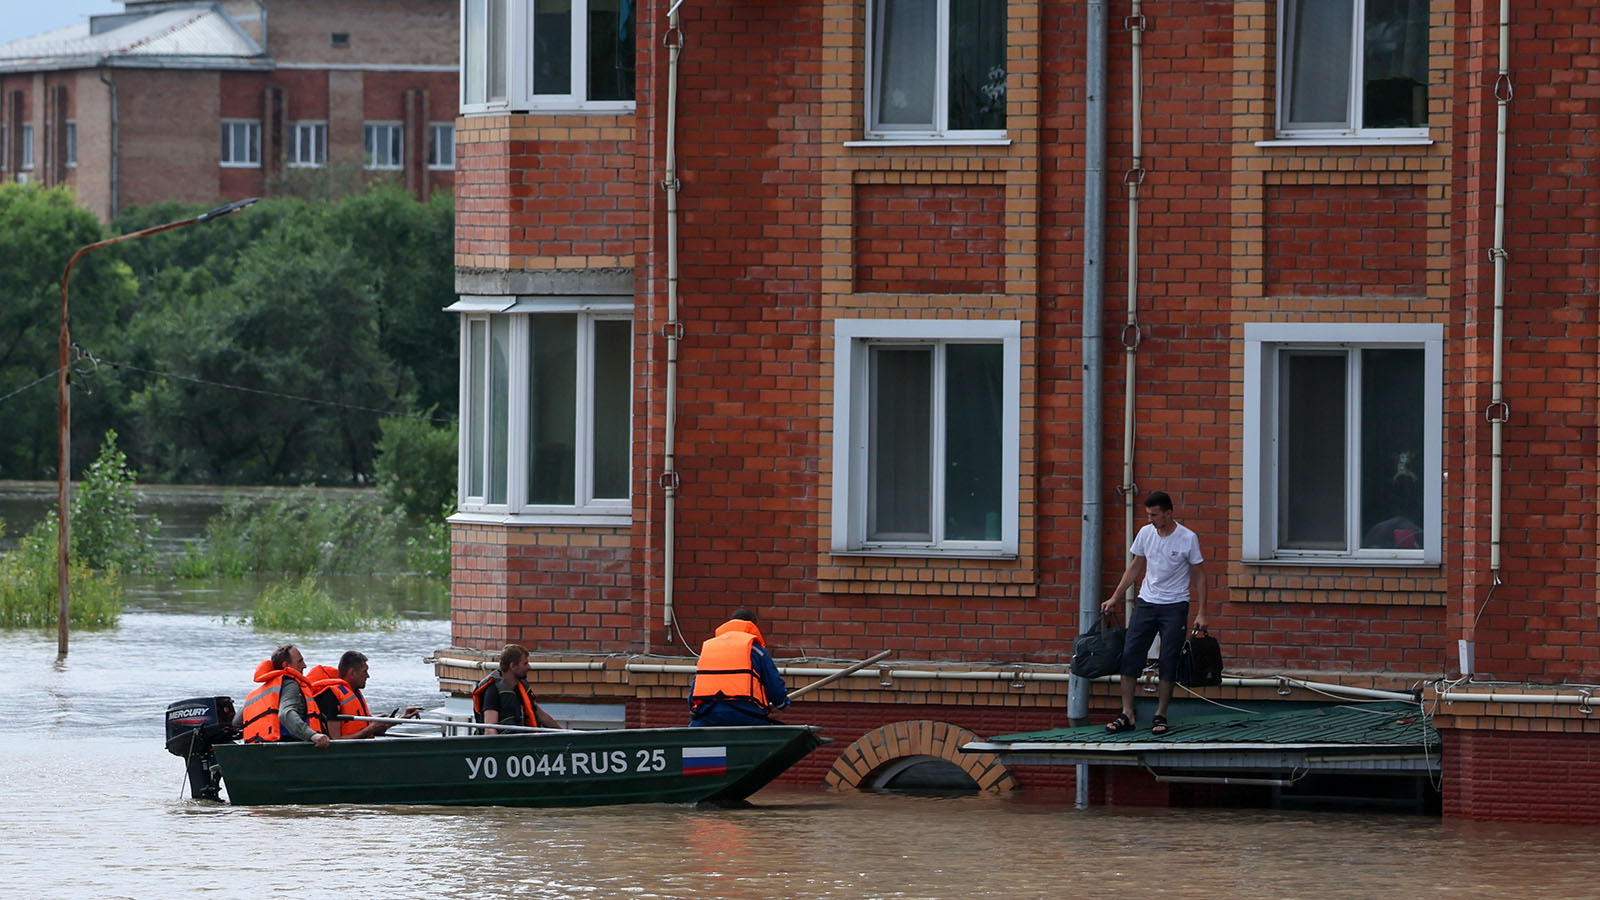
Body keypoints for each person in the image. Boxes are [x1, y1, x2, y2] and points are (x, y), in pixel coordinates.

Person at [1099, 490, 1207, 736]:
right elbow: (1136, 565)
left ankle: (1161, 714)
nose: (1150, 519)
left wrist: (1202, 612)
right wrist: (1115, 596)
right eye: (1148, 514)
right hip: (1146, 602)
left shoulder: (1187, 538)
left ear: (1168, 514)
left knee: (1168, 660)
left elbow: (1200, 575)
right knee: (1130, 655)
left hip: (1175, 605)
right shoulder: (1146, 533)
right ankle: (1127, 713)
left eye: (1155, 515)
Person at [688, 607, 790, 727]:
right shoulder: (757, 651)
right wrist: (782, 703)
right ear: (753, 626)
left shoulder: (709, 649)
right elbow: (774, 686)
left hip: (708, 714)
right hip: (746, 714)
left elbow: (695, 688)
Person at [306, 651, 422, 740]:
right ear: (352, 673)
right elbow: (335, 740)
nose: (368, 676)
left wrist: (402, 718)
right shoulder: (331, 696)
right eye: (365, 671)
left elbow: (372, 730)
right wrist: (371, 728)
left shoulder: (353, 693)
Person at [241, 644, 330, 748]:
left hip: (258, 747)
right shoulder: (290, 685)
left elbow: (237, 721)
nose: (304, 665)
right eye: (300, 661)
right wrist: (313, 735)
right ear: (286, 665)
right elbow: (285, 714)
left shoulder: (262, 691)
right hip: (283, 747)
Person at [472, 644, 561, 734]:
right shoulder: (492, 691)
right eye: (525, 664)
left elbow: (541, 716)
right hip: (506, 744)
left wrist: (564, 734)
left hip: (524, 742)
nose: (529, 667)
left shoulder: (522, 688)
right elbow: (490, 728)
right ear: (513, 666)